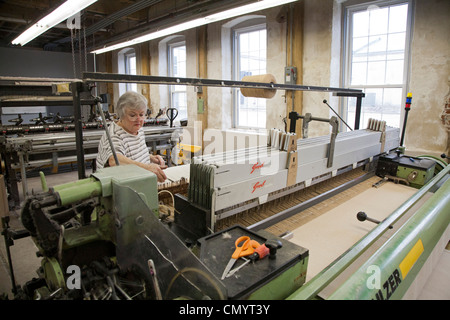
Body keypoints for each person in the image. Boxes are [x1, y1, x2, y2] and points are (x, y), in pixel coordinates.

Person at [96, 91, 167, 182]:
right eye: (132, 115)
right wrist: (147, 168)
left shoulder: (137, 128)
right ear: (121, 115)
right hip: (120, 185)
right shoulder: (114, 134)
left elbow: (131, 155)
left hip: (139, 178)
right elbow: (114, 160)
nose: (139, 119)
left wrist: (149, 157)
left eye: (141, 115)